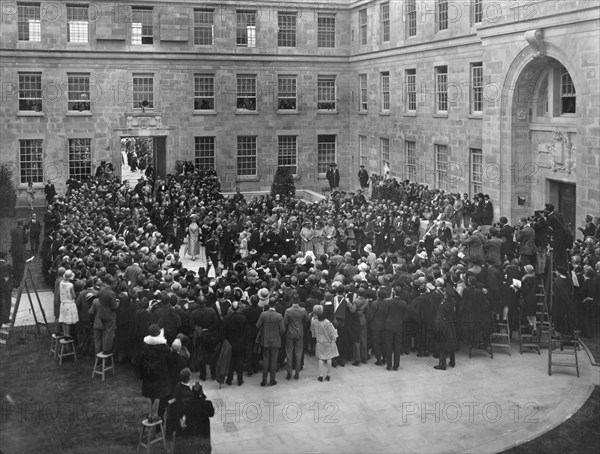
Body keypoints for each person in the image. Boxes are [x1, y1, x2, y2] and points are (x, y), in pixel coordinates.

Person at [139, 324, 171, 423]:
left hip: (147, 372)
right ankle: (155, 414)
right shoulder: (163, 346)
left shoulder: (145, 344)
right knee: (157, 394)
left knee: (149, 393)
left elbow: (140, 359)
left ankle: (149, 414)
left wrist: (142, 372)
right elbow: (168, 356)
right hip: (160, 373)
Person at [174, 382, 215, 454]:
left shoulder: (187, 403)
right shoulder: (207, 403)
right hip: (203, 431)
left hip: (192, 430)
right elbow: (211, 414)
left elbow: (180, 414)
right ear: (201, 392)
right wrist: (203, 397)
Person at [256, 298, 285, 386]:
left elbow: (257, 325)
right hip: (276, 340)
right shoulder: (279, 316)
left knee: (265, 360)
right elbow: (282, 330)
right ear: (275, 305)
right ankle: (272, 379)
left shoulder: (263, 314)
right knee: (273, 361)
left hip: (265, 340)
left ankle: (264, 380)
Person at [220, 301, 248, 386]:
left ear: (231, 308)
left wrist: (223, 341)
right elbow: (246, 331)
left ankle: (229, 379)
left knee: (230, 362)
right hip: (240, 342)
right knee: (240, 362)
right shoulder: (243, 318)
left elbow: (223, 331)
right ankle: (240, 380)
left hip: (230, 343)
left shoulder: (226, 318)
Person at [434, 283, 459, 370]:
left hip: (444, 325)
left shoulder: (443, 304)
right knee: (451, 343)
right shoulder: (454, 302)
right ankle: (452, 362)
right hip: (451, 324)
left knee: (442, 345)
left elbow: (439, 317)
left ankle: (442, 364)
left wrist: (437, 326)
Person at [283, 294, 309, 380]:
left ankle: (289, 372)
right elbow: (307, 319)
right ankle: (297, 372)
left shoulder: (288, 310)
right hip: (300, 332)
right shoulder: (303, 310)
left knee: (289, 352)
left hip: (290, 332)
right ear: (299, 300)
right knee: (298, 352)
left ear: (292, 300)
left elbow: (285, 322)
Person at [310, 305, 338, 382]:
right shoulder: (327, 322)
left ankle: (320, 375)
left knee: (320, 359)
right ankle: (328, 375)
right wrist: (334, 337)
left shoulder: (313, 320)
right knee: (329, 358)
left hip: (319, 342)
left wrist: (315, 337)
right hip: (328, 342)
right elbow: (332, 333)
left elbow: (312, 330)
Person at [58, 269, 78, 338]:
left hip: (63, 303)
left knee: (64, 319)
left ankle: (65, 333)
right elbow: (74, 296)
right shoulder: (70, 285)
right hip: (69, 303)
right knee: (68, 319)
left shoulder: (61, 283)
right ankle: (68, 334)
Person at [0, 251, 15, 325]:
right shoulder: (7, 265)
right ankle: (5, 319)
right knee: (6, 303)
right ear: (5, 257)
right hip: (5, 288)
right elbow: (13, 272)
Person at [9, 220, 26, 284]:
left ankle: (15, 279)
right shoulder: (22, 231)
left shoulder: (13, 230)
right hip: (20, 251)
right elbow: (25, 240)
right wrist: (27, 233)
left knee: (15, 265)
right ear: (22, 224)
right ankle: (18, 281)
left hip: (14, 251)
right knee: (21, 267)